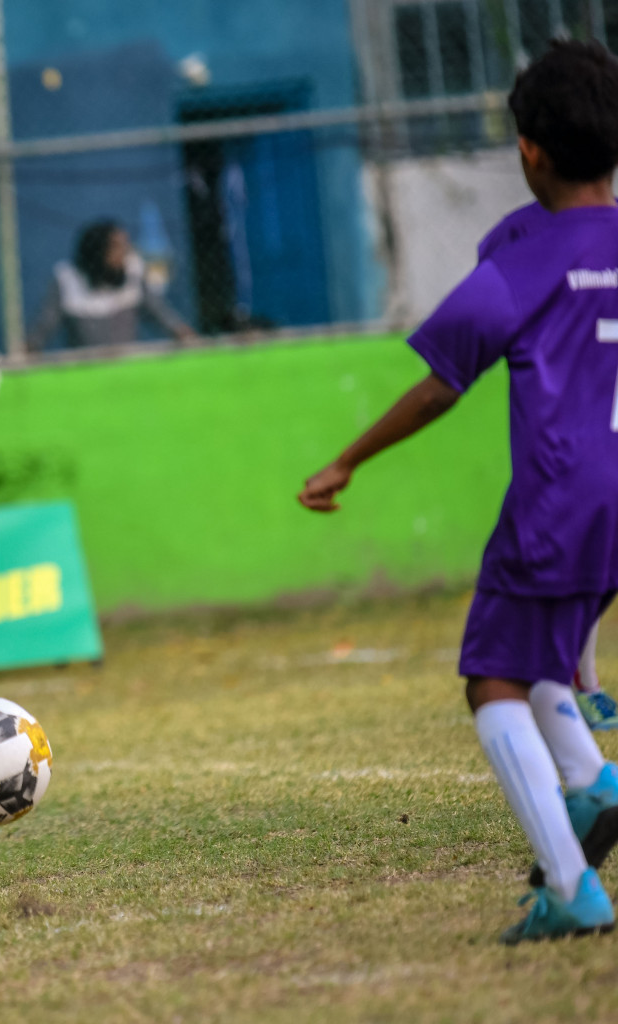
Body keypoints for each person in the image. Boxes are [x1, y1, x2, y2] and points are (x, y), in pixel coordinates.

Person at [299, 41, 618, 943]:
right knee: (540, 657)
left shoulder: (527, 256)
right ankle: (594, 786)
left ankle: (571, 888)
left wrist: (347, 460)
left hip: (562, 498)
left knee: (491, 681)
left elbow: (444, 377)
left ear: (529, 151)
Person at [476, 198, 618, 731]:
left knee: (495, 673)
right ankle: (578, 680)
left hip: (581, 464)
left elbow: (443, 380)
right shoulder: (520, 236)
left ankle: (574, 695)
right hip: (569, 452)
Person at [26, 219, 196, 350]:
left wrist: (183, 333)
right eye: (116, 248)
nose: (124, 253)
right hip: (84, 369)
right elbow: (45, 325)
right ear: (97, 252)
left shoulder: (133, 271)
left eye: (125, 246)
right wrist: (27, 349)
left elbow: (159, 312)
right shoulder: (66, 279)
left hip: (127, 367)